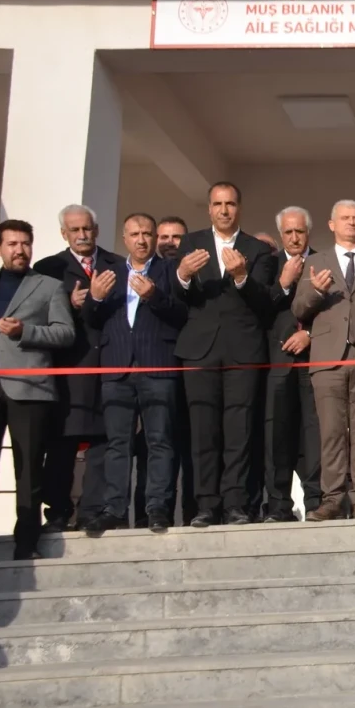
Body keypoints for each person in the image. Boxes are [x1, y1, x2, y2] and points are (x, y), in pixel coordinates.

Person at [174, 181, 277, 527]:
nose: (224, 210)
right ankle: (206, 504)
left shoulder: (257, 249)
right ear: (209, 208)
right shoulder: (191, 243)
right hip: (199, 350)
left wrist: (242, 277)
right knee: (203, 431)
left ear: (239, 208)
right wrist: (183, 275)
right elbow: (178, 297)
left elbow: (265, 302)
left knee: (239, 430)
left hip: (242, 350)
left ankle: (236, 503)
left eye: (230, 204)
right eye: (218, 204)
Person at [81, 212, 187, 534]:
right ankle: (114, 509)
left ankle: (157, 508)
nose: (141, 240)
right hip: (117, 368)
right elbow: (92, 320)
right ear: (124, 239)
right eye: (135, 234)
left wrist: (154, 296)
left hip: (157, 364)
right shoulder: (109, 272)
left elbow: (183, 314)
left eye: (147, 234)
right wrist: (94, 298)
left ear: (154, 237)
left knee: (160, 442)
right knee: (117, 443)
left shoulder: (170, 270)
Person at [291, 200, 355, 521]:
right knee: (331, 433)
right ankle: (332, 499)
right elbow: (299, 309)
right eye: (345, 218)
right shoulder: (316, 261)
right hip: (328, 357)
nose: (352, 223)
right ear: (331, 224)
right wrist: (316, 291)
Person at [33, 204, 123, 531]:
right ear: (64, 234)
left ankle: (91, 512)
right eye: (75, 230)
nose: (82, 235)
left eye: (87, 228)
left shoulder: (118, 264)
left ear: (96, 230)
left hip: (108, 365)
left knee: (102, 444)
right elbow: (39, 318)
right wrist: (69, 305)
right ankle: (57, 512)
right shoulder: (48, 268)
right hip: (68, 370)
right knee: (61, 446)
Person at [0, 220, 75, 559]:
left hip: (29, 388)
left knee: (28, 470)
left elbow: (65, 333)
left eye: (25, 243)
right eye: (12, 244)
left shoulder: (49, 286)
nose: (20, 250)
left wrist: (25, 331)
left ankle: (25, 544)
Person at [260, 206, 321, 522]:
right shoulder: (267, 264)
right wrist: (283, 284)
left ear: (308, 232)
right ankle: (278, 505)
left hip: (315, 362)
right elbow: (257, 309)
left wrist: (309, 334)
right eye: (288, 232)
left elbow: (336, 312)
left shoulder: (324, 261)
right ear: (280, 234)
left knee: (314, 434)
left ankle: (316, 503)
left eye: (300, 231)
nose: (294, 238)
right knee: (277, 436)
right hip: (278, 362)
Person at [135, 215, 195, 524]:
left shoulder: (196, 272)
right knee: (154, 444)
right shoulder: (147, 272)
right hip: (156, 371)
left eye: (177, 237)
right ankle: (151, 513)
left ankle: (193, 512)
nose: (170, 242)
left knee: (192, 447)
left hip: (193, 371)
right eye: (164, 237)